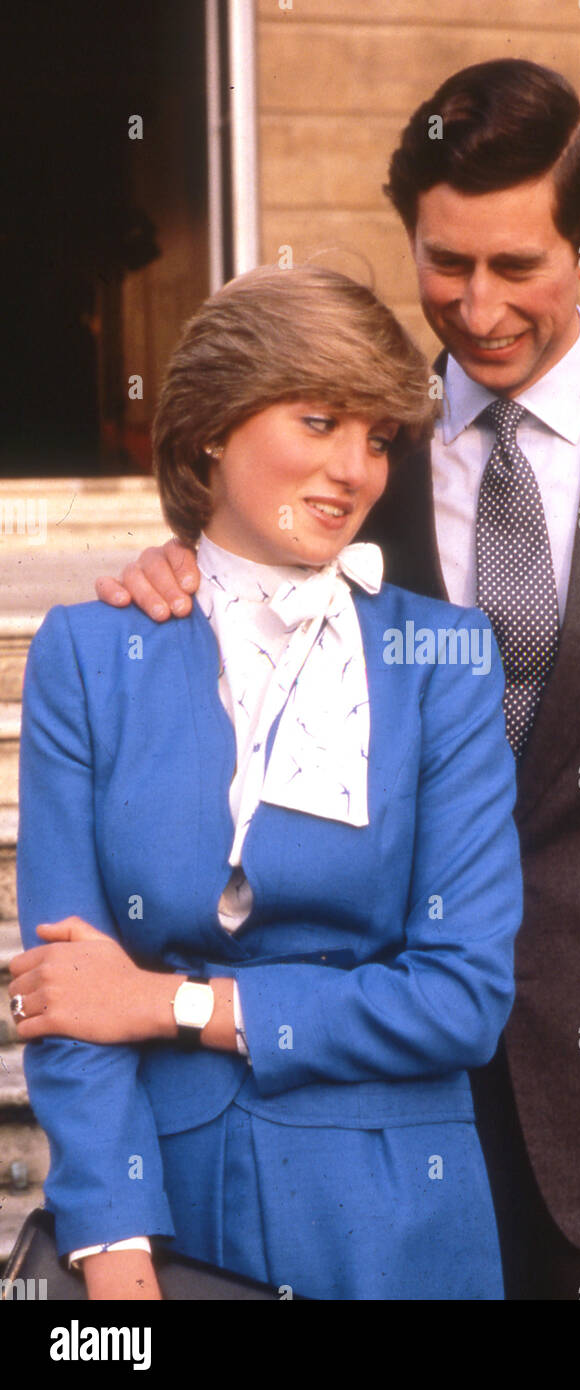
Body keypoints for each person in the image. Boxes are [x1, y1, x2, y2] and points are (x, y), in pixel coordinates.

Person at [93, 60, 580, 1301]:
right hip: (370, 1106)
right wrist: (178, 572)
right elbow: (238, 567)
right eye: (445, 264)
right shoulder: (357, 461)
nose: (478, 304)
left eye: (518, 266)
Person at [9, 263, 522, 1301]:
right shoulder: (88, 652)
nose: (354, 469)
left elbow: (462, 998)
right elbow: (68, 991)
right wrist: (114, 1253)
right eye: (320, 420)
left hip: (396, 1218)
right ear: (210, 427)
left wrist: (173, 1001)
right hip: (169, 1214)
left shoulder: (445, 658)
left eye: (377, 437)